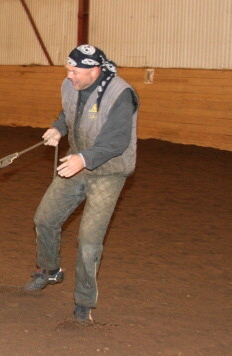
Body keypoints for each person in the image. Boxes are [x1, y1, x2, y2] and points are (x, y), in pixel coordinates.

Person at [24, 44, 139, 324]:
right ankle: (50, 270)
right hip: (77, 162)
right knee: (45, 219)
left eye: (75, 71)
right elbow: (69, 113)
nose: (69, 76)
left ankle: (84, 301)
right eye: (68, 69)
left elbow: (117, 140)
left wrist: (83, 159)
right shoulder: (71, 84)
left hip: (108, 172)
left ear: (95, 71)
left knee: (89, 240)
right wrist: (57, 128)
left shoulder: (120, 94)